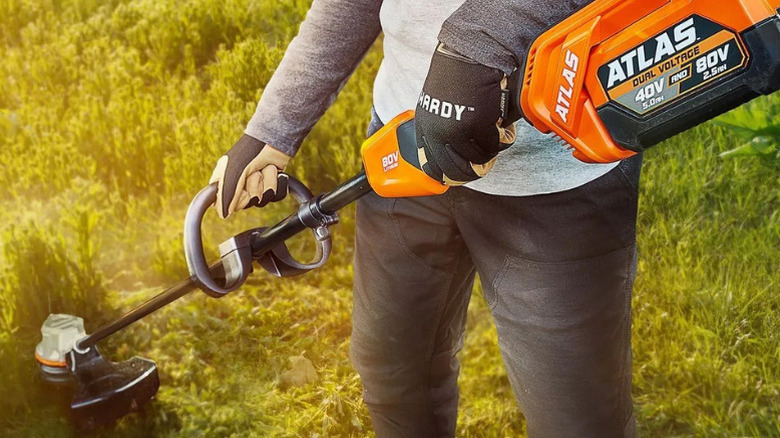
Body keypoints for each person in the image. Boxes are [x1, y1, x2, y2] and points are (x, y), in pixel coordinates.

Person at [209, 0, 643, 436]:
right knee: (393, 378)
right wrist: (273, 129)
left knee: (577, 417)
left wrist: (480, 40)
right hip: (403, 151)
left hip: (558, 173)